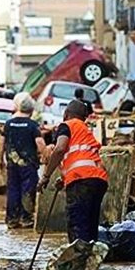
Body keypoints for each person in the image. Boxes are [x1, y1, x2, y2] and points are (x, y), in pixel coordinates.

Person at [38, 100, 108, 242]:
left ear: (66, 114)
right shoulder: (85, 130)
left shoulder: (66, 125)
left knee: (77, 227)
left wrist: (46, 176)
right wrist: (64, 179)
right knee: (90, 228)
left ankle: (79, 261)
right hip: (98, 182)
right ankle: (89, 260)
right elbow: (81, 160)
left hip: (82, 181)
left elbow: (60, 149)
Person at [0, 92, 46, 229]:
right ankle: (26, 219)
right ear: (31, 109)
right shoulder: (32, 125)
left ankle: (12, 220)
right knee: (28, 190)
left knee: (13, 190)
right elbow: (40, 143)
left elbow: (1, 142)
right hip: (29, 165)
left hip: (12, 164)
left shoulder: (8, 124)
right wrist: (45, 156)